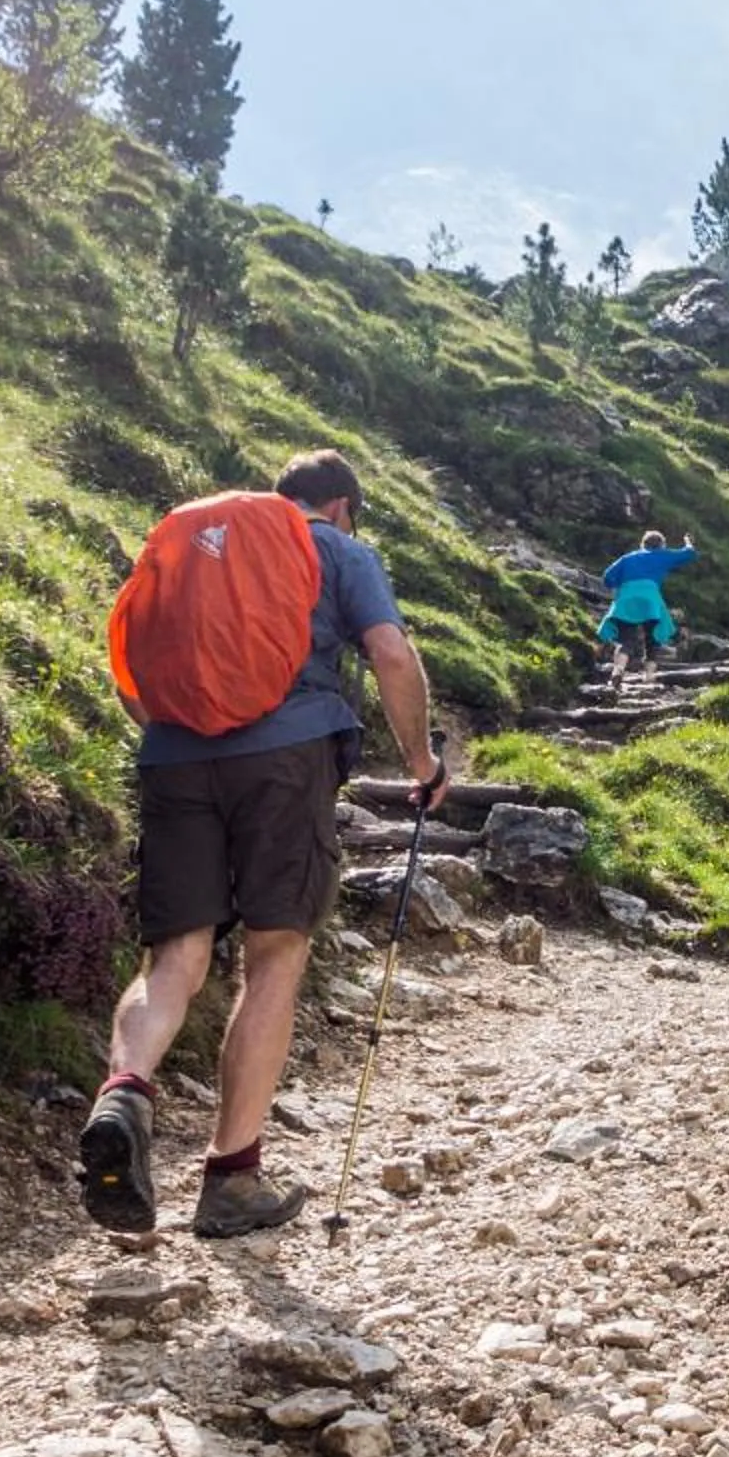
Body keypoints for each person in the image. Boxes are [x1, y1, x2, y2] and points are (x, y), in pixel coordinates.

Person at [79, 449, 448, 1238]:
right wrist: (422, 764)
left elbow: (127, 663)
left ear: (281, 497)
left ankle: (124, 1093)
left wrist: (177, 740)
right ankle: (231, 1178)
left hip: (174, 754)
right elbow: (388, 652)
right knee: (274, 951)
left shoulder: (197, 543)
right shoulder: (341, 550)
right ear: (344, 504)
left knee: (174, 958)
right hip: (287, 759)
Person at [598, 528, 698, 688]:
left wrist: (619, 586)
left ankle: (617, 672)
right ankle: (649, 678)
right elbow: (688, 554)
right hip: (650, 600)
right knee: (652, 640)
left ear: (642, 544)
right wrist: (688, 542)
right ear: (661, 545)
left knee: (626, 640)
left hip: (626, 599)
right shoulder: (662, 555)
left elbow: (607, 576)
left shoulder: (627, 557)